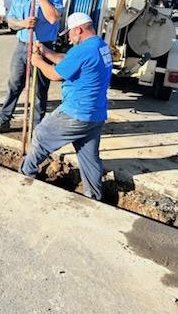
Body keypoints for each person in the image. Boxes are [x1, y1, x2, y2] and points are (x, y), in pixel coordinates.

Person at [20, 12, 112, 200]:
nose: (69, 38)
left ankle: (25, 174)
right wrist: (45, 52)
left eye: (70, 33)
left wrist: (38, 61)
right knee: (89, 158)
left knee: (41, 134)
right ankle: (94, 196)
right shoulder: (100, 46)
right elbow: (67, 60)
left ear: (78, 30)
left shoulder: (82, 50)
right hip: (95, 115)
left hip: (76, 113)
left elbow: (55, 74)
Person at [0, 0, 63, 135]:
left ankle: (36, 128)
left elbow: (53, 19)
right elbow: (11, 22)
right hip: (22, 45)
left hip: (42, 47)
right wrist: (23, 24)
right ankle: (3, 120)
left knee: (38, 90)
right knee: (14, 84)